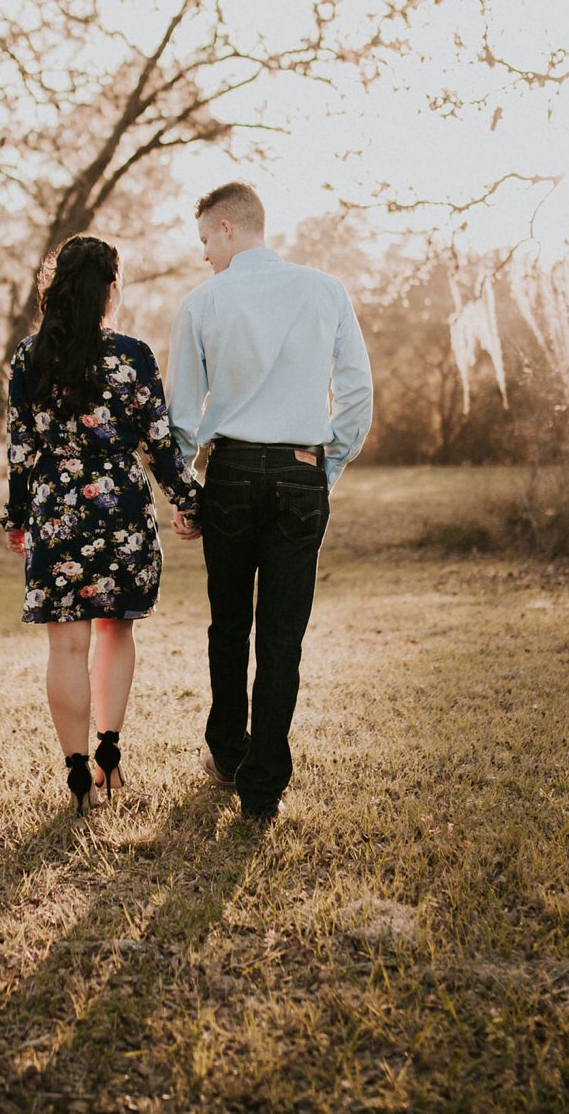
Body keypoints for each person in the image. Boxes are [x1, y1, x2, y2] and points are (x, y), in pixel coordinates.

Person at [165, 182, 373, 821]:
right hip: (300, 473)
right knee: (282, 635)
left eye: (205, 240)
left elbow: (179, 418)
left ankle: (228, 753)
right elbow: (357, 393)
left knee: (228, 625)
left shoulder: (202, 302)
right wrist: (325, 466)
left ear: (228, 229)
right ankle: (262, 788)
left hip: (227, 474)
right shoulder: (325, 290)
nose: (203, 255)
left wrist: (185, 490)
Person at [2, 236, 202, 815]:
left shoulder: (28, 358)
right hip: (120, 511)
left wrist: (17, 517)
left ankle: (75, 775)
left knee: (66, 646)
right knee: (117, 632)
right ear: (110, 287)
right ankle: (108, 757)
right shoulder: (134, 355)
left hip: (56, 509)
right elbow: (160, 445)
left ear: (57, 286)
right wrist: (188, 500)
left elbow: (21, 450)